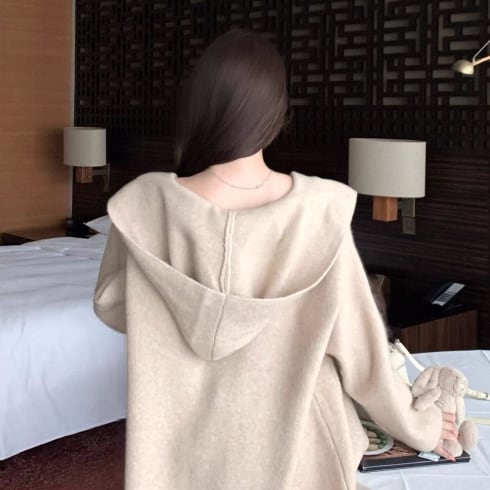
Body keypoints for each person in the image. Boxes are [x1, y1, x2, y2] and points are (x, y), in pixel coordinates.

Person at [94, 28, 458, 490]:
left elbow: (111, 303)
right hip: (296, 458)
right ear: (276, 114)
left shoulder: (145, 206)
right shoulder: (317, 214)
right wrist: (421, 426)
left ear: (199, 106)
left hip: (179, 456)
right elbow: (364, 361)